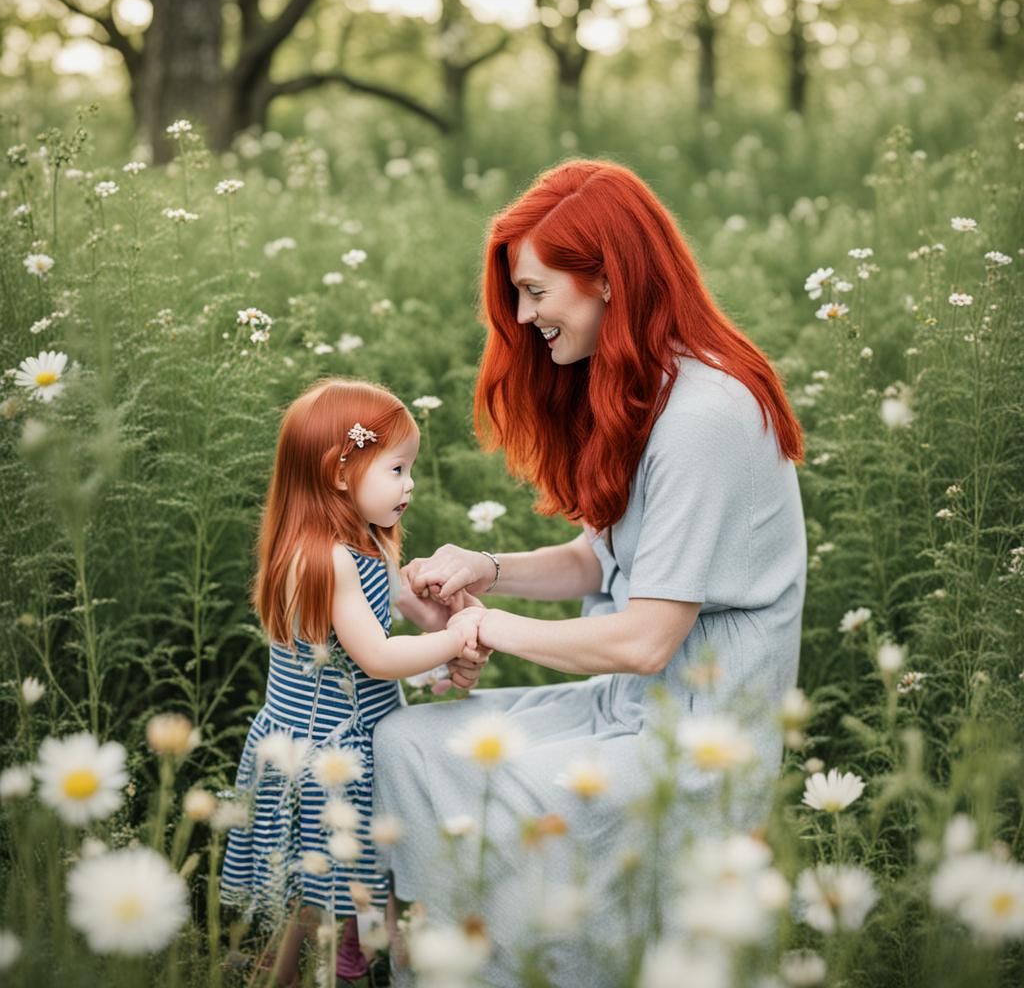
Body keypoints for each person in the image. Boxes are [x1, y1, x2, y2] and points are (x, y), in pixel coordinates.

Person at [372, 160, 807, 987]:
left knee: (519, 791)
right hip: (624, 711)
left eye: (536, 292)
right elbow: (596, 561)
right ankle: (438, 961)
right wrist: (485, 569)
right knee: (407, 743)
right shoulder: (641, 390)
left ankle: (520, 965)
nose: (525, 316)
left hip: (694, 746)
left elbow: (647, 638)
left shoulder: (707, 416)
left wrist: (479, 628)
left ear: (607, 277)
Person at [219, 377, 486, 987]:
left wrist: (449, 622)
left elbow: (411, 615)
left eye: (409, 468)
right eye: (396, 469)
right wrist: (461, 637)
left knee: (361, 864)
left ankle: (357, 953)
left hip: (354, 736)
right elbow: (378, 657)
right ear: (341, 475)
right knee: (314, 888)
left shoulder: (363, 541)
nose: (409, 483)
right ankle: (281, 974)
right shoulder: (325, 559)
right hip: (322, 750)